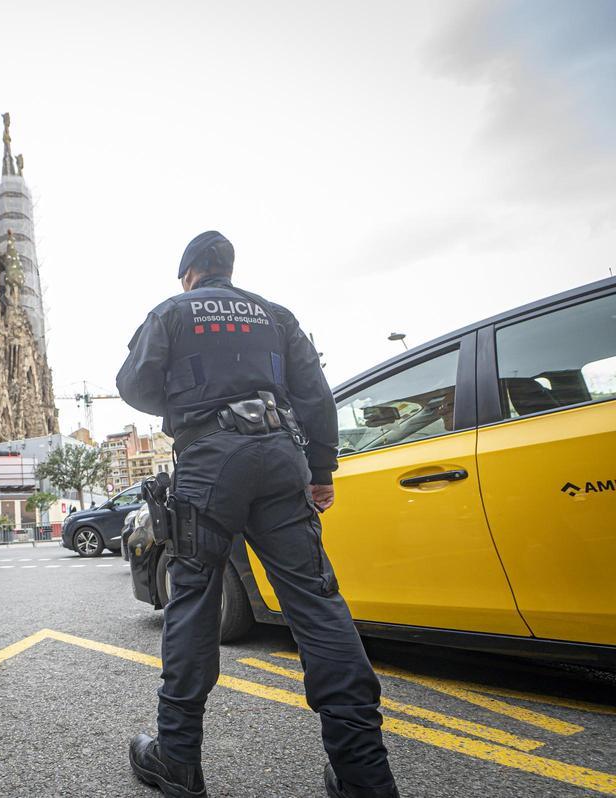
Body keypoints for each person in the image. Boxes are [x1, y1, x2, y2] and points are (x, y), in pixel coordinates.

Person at [116, 231, 399, 798]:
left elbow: (133, 386)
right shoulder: (275, 315)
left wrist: (186, 401)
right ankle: (363, 774)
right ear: (229, 269)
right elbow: (316, 396)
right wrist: (321, 471)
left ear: (190, 274)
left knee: (194, 599)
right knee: (317, 604)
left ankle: (178, 758)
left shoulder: (172, 311)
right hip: (279, 455)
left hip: (208, 461)